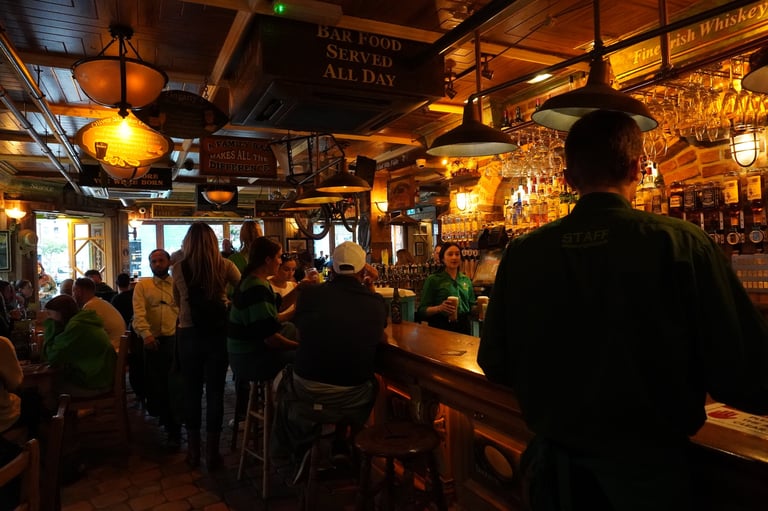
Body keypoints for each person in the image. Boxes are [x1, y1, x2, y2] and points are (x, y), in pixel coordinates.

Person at [477, 110, 768, 511]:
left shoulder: (524, 252)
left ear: (568, 179)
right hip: (650, 480)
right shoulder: (681, 243)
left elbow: (495, 361)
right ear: (637, 168)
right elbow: (743, 370)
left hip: (554, 478)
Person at [271, 241, 386, 481]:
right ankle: (343, 442)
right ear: (362, 269)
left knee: (280, 380)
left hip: (307, 392)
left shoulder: (310, 295)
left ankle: (297, 444)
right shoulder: (375, 303)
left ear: (331, 269)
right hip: (354, 397)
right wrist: (371, 285)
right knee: (375, 384)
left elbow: (301, 333)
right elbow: (380, 323)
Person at [172, 222, 240, 470]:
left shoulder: (178, 268)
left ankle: (193, 452)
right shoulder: (226, 266)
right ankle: (212, 453)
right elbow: (242, 290)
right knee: (215, 392)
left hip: (189, 334)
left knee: (191, 391)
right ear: (214, 242)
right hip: (217, 335)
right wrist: (226, 301)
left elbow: (176, 300)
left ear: (188, 242)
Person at [227, 237, 298, 393]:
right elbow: (270, 338)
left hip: (243, 355)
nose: (280, 261)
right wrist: (302, 347)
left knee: (290, 329)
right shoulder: (256, 287)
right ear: (267, 260)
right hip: (248, 359)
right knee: (303, 358)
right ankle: (285, 405)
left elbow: (276, 308)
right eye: (279, 257)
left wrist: (300, 289)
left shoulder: (257, 281)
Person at [132, 249, 181, 448]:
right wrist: (146, 334)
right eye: (153, 261)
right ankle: (166, 420)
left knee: (174, 385)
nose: (157, 264)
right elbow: (139, 313)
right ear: (149, 264)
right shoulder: (143, 286)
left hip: (174, 341)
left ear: (169, 262)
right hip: (152, 341)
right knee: (157, 386)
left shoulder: (178, 284)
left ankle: (174, 427)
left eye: (161, 260)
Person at [42, 295, 116, 399]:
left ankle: (62, 415)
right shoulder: (84, 320)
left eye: (49, 313)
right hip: (101, 377)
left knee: (48, 387)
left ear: (60, 313)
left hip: (95, 383)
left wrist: (51, 326)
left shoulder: (77, 327)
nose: (48, 317)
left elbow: (52, 357)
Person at [417, 241, 476, 334]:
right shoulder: (433, 280)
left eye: (457, 254)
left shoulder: (466, 280)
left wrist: (482, 308)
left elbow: (472, 305)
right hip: (442, 326)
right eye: (450, 254)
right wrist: (439, 308)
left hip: (464, 326)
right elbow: (422, 310)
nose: (454, 257)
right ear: (443, 258)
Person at [72, 278, 126, 352]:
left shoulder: (90, 307)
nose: (72, 295)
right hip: (117, 348)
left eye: (73, 291)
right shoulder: (99, 302)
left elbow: (82, 334)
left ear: (79, 291)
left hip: (110, 352)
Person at [269, 253, 298, 322]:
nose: (291, 273)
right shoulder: (268, 285)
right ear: (277, 267)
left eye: (293, 270)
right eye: (286, 270)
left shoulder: (293, 285)